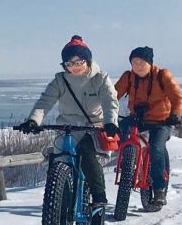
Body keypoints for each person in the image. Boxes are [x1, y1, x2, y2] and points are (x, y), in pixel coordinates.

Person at [16, 35, 119, 212]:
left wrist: (110, 122)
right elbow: (44, 102)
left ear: (87, 60)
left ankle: (99, 196)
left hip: (94, 128)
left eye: (78, 62)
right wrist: (34, 120)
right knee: (57, 162)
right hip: (67, 127)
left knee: (86, 152)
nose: (74, 67)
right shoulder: (60, 81)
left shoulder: (100, 78)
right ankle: (55, 202)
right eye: (69, 64)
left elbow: (110, 102)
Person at [114, 46, 182, 209]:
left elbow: (177, 97)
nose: (137, 66)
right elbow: (113, 95)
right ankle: (127, 163)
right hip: (138, 119)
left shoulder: (162, 76)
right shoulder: (129, 77)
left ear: (150, 63)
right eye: (134, 63)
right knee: (114, 131)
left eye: (141, 62)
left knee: (156, 148)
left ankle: (159, 190)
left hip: (161, 122)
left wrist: (175, 114)